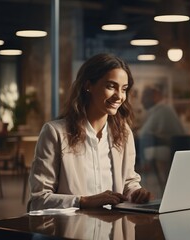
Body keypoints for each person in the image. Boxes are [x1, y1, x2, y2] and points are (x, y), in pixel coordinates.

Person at [28, 53, 151, 211]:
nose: (119, 96)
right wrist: (83, 201)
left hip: (113, 231)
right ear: (88, 85)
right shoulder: (55, 133)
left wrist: (136, 193)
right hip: (71, 231)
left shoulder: (123, 132)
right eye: (111, 86)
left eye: (124, 89)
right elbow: (38, 200)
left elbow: (128, 183)